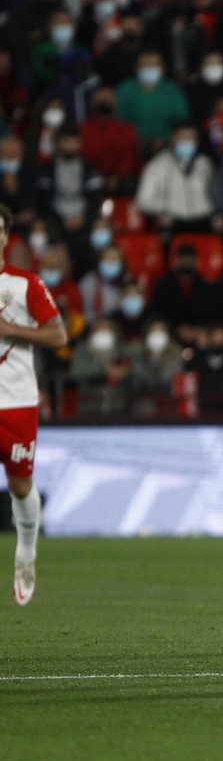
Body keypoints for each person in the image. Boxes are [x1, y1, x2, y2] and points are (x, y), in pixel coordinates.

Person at [0, 205, 68, 605]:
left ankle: (26, 552)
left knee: (20, 484)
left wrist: (11, 329)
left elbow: (58, 335)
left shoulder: (24, 284)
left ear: (7, 237)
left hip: (16, 402)